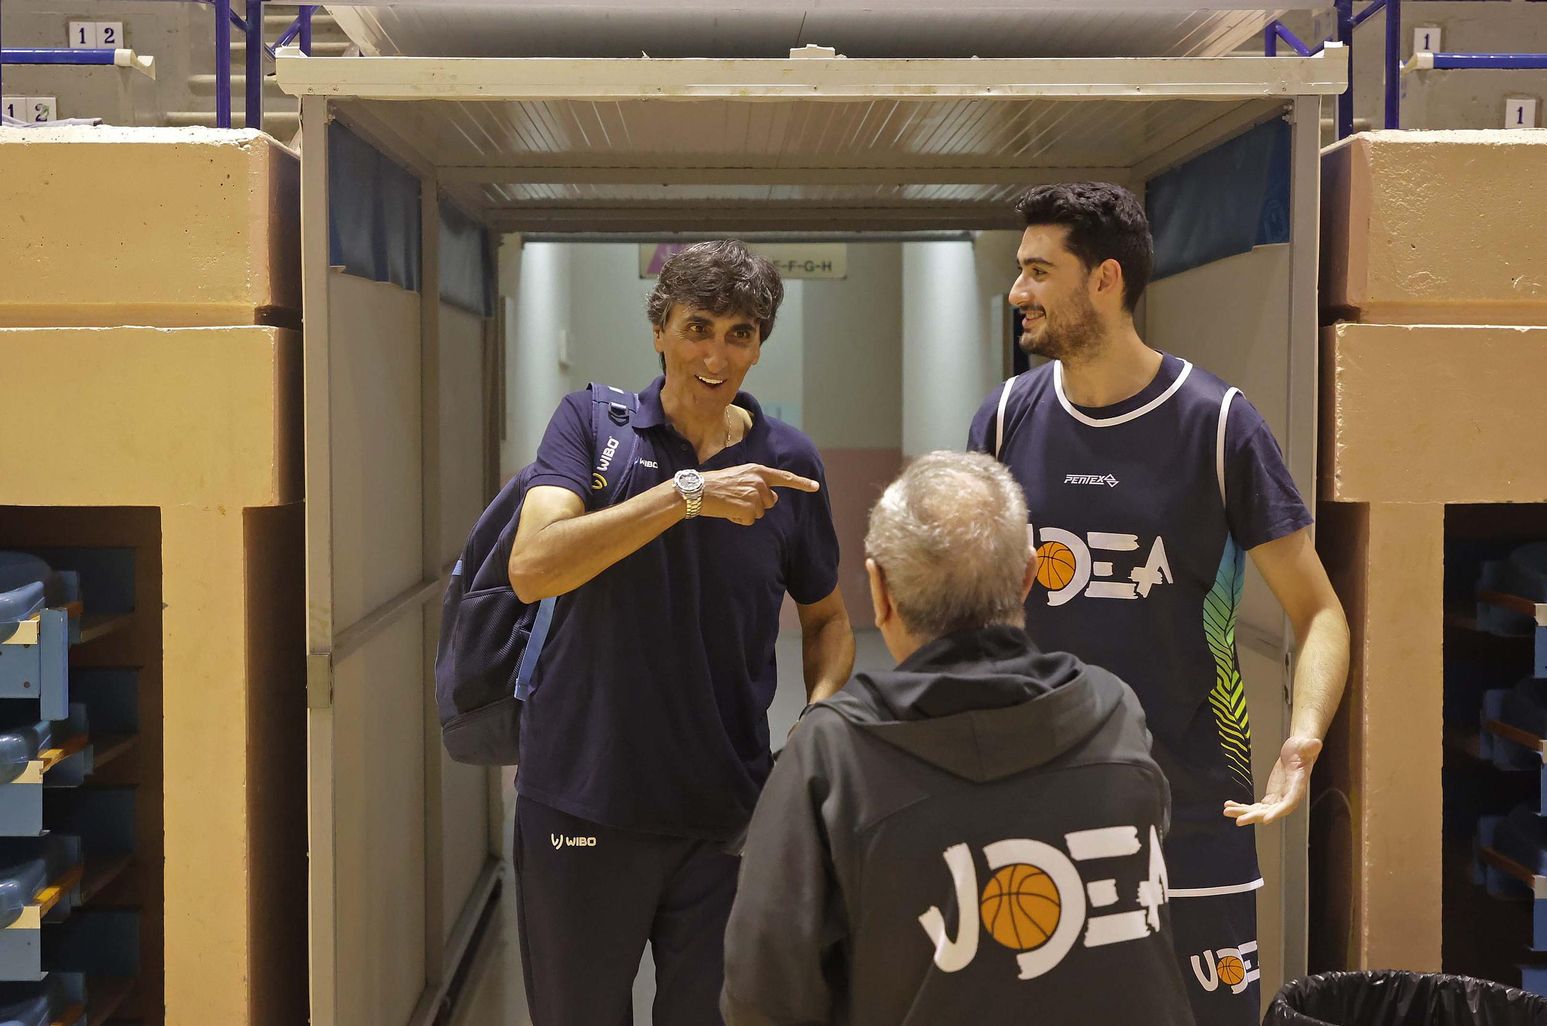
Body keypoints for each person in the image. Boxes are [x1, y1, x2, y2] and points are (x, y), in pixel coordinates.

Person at [968, 182, 1350, 1025]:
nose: (1018, 292)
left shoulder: (1219, 426)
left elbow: (1319, 612)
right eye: (1018, 270)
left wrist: (1303, 739)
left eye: (1039, 271)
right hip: (1035, 810)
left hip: (1192, 817)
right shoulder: (1002, 421)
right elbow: (972, 621)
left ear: (1105, 279)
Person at [506, 240, 856, 1025]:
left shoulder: (787, 461)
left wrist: (818, 715)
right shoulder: (592, 426)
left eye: (741, 333)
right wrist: (687, 495)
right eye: (699, 327)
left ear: (760, 344)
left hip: (726, 816)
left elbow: (827, 619)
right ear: (660, 328)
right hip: (583, 803)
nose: (717, 353)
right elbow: (532, 565)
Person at [723, 451, 1196, 1026]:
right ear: (1029, 577)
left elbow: (762, 999)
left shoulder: (830, 760)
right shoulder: (1115, 714)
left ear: (880, 592)